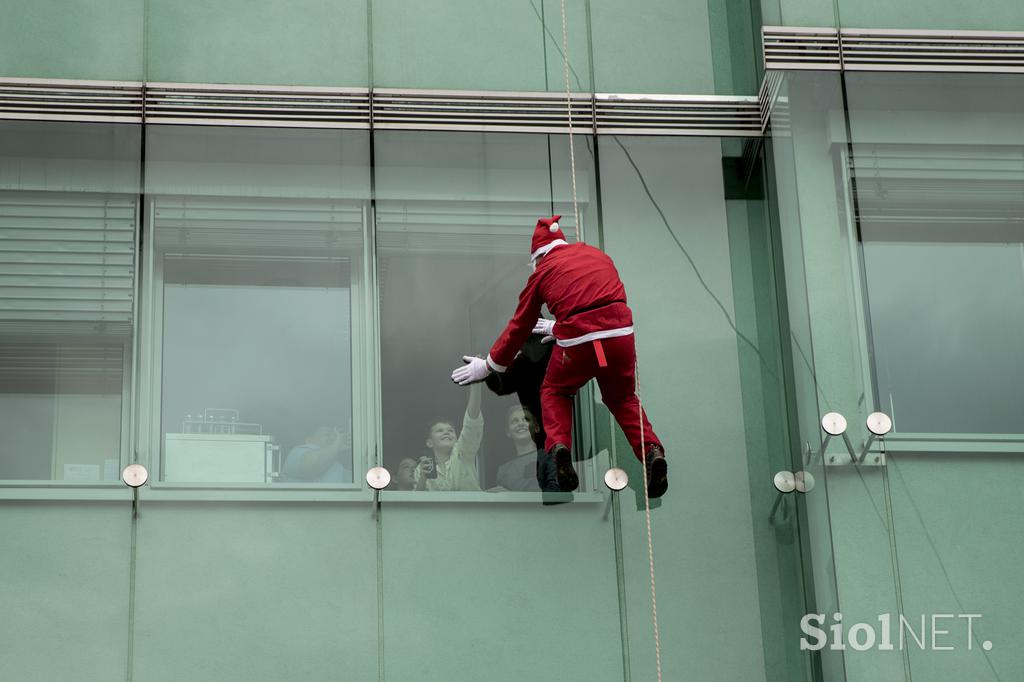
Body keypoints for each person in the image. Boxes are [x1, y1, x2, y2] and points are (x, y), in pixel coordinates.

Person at [451, 215, 668, 498]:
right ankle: (651, 451)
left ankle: (559, 450)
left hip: (579, 343)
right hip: (619, 337)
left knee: (554, 391)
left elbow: (520, 326)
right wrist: (560, 326)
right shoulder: (597, 255)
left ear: (538, 257)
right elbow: (599, 302)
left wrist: (489, 365)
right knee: (623, 399)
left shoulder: (542, 272)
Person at [419, 382, 484, 491]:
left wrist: (476, 384)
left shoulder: (463, 452)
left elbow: (472, 422)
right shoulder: (422, 468)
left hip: (473, 508)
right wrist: (423, 477)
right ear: (429, 443)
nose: (446, 432)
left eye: (451, 430)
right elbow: (416, 504)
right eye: (440, 431)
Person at [495, 405, 559, 493]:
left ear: (536, 427)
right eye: (514, 421)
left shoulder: (549, 458)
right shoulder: (503, 471)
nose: (520, 423)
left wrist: (511, 496)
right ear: (508, 432)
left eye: (526, 419)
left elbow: (555, 494)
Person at [282, 425, 352, 483]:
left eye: (334, 436)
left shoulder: (336, 466)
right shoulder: (297, 452)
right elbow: (312, 465)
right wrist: (337, 444)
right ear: (309, 439)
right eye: (327, 434)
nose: (333, 438)